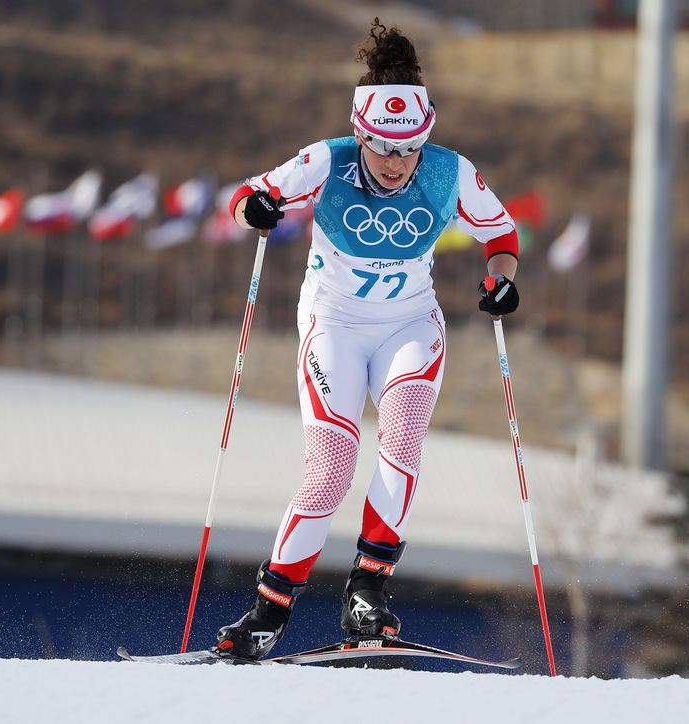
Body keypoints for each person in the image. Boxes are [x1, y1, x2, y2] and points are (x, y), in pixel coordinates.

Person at [215, 19, 521, 660]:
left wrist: (501, 280)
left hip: (411, 324)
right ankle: (269, 611)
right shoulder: (327, 160)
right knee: (330, 473)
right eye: (384, 148)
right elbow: (247, 197)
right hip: (335, 328)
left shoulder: (449, 172)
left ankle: (367, 592)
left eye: (410, 148)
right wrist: (259, 210)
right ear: (362, 133)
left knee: (403, 443)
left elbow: (502, 236)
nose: (397, 163)